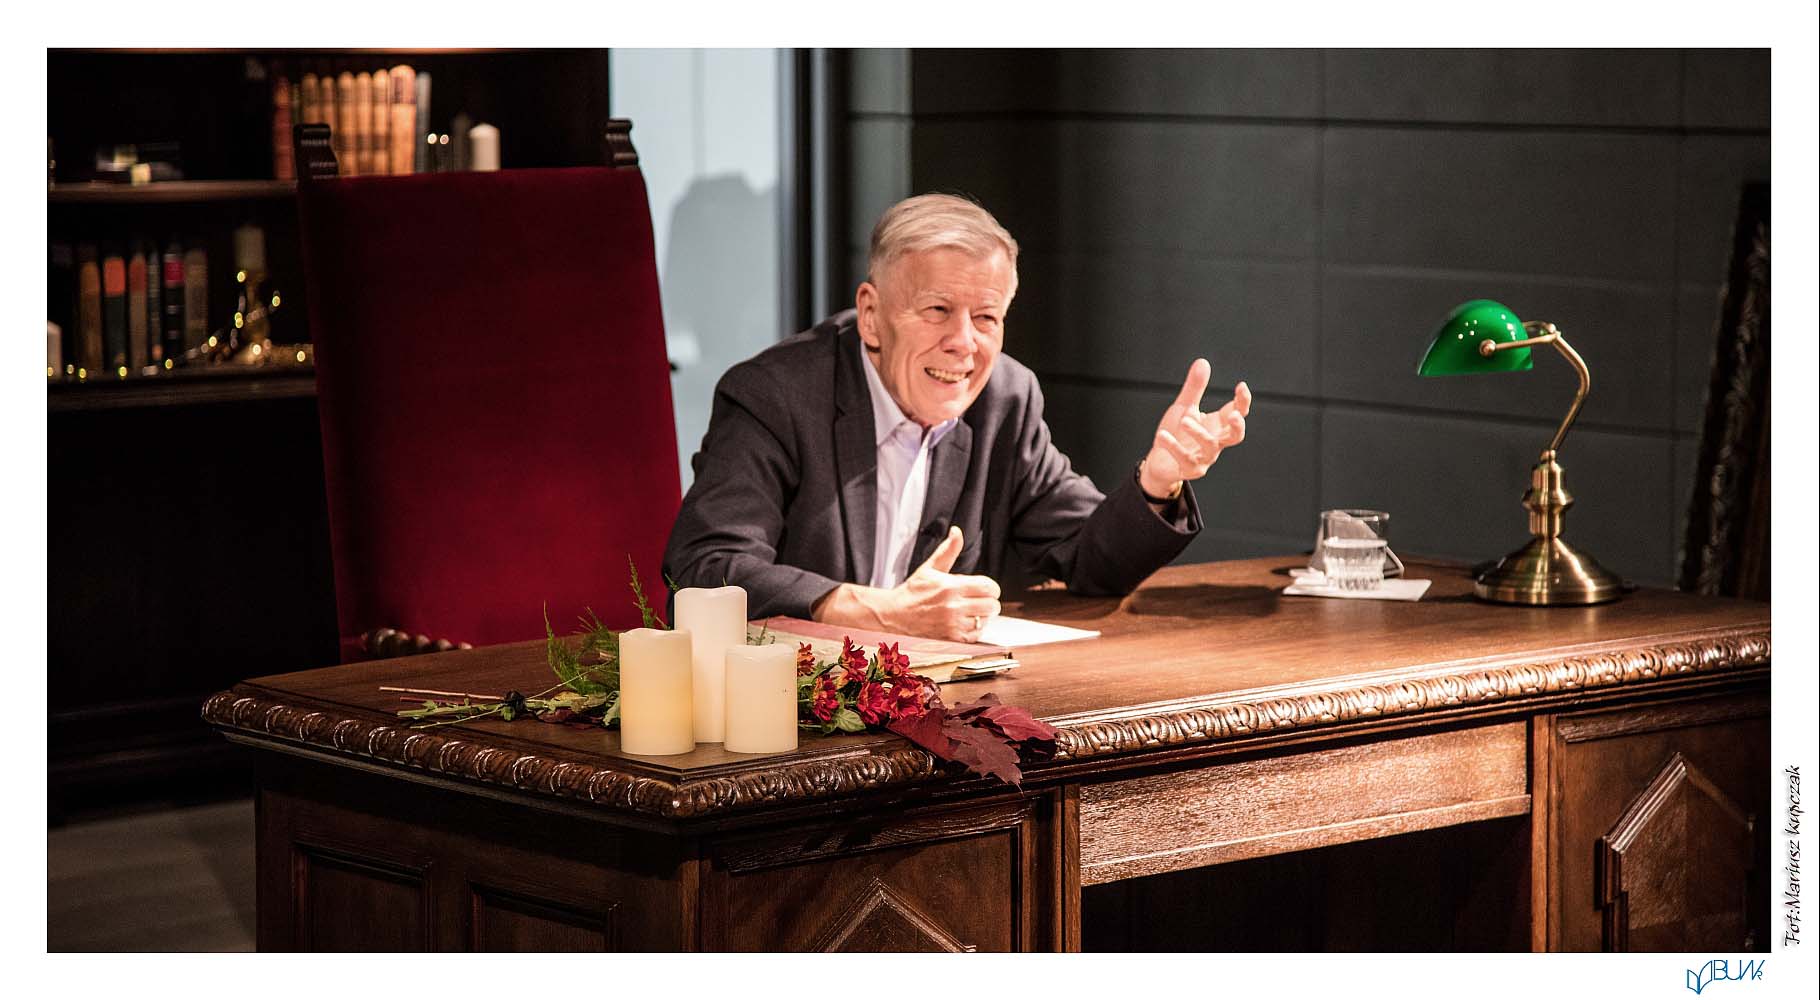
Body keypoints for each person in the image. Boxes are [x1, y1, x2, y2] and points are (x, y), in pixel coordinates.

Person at [662, 194, 1251, 642]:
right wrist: (872, 611)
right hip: (792, 709)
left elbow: (1088, 558)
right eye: (938, 310)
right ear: (871, 315)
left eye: (986, 318)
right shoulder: (776, 395)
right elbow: (705, 569)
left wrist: (1159, 480)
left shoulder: (1005, 399)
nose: (964, 343)